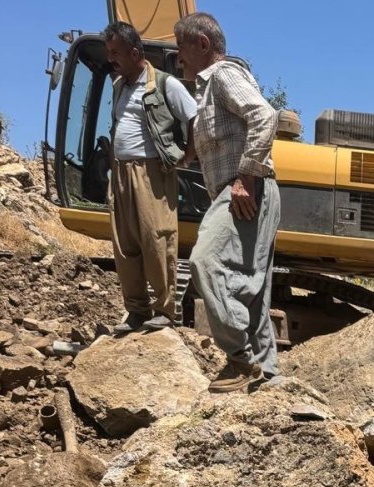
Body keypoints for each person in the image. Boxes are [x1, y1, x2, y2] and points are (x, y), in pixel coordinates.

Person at [174, 12, 281, 393]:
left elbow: (264, 115)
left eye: (180, 48)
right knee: (252, 289)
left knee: (204, 261)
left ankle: (239, 359)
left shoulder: (220, 75)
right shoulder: (204, 92)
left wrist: (245, 177)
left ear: (202, 44)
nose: (178, 58)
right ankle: (266, 376)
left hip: (246, 187)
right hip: (246, 188)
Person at [104, 21, 197, 334]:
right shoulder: (119, 86)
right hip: (120, 172)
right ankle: (136, 310)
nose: (112, 58)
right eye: (109, 52)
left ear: (134, 52)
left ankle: (164, 309)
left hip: (150, 172)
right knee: (125, 242)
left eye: (116, 52)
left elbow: (194, 116)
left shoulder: (166, 84)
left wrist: (188, 156)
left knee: (156, 238)